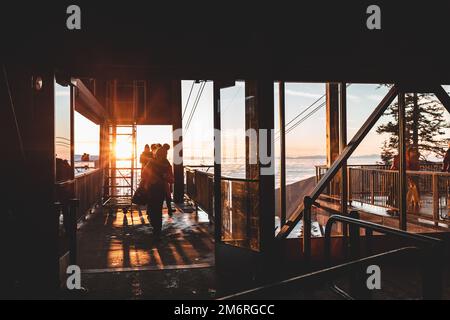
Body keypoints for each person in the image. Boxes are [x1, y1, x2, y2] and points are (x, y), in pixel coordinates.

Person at [141, 147, 174, 239]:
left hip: (155, 189)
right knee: (155, 210)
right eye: (162, 154)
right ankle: (156, 229)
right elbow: (171, 179)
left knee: (155, 210)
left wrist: (152, 178)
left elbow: (143, 174)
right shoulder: (166, 164)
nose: (163, 156)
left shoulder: (153, 162)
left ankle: (157, 230)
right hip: (157, 190)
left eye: (164, 155)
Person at [162, 143, 174, 217]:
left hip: (163, 178)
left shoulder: (160, 154)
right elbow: (167, 166)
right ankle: (169, 209)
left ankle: (168, 209)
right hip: (164, 179)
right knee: (167, 194)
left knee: (165, 195)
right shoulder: (164, 158)